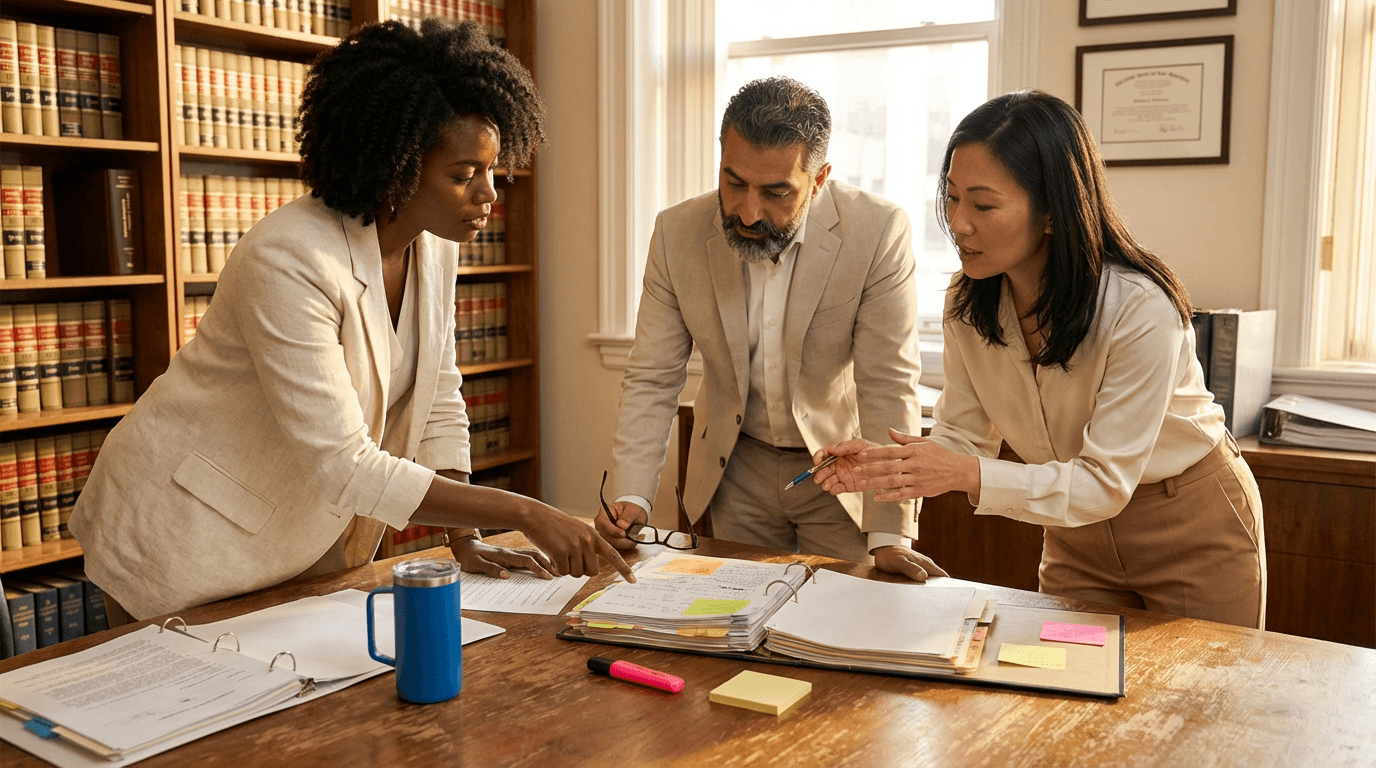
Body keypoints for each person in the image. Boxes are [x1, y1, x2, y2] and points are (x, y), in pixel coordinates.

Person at [69, 19, 632, 622]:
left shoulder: (434, 247)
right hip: (179, 529)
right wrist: (523, 511)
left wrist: (464, 536)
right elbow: (343, 462)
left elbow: (438, 395)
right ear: (396, 168)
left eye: (493, 170)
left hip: (294, 530)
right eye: (464, 175)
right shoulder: (288, 256)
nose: (489, 194)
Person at [814, 90, 1266, 628]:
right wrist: (894, 465)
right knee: (1065, 677)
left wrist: (963, 472)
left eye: (983, 205)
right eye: (952, 197)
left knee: (1202, 684)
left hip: (1189, 519)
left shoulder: (1140, 307)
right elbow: (964, 435)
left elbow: (1103, 483)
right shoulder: (967, 300)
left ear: (1052, 212)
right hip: (1073, 532)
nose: (958, 223)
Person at [596, 76, 944, 581]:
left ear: (819, 180)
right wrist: (632, 496)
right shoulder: (676, 233)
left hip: (840, 471)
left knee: (838, 618)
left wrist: (891, 533)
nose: (748, 210)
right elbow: (653, 376)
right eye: (734, 182)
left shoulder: (877, 230)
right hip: (735, 468)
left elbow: (887, 382)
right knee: (736, 614)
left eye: (776, 192)